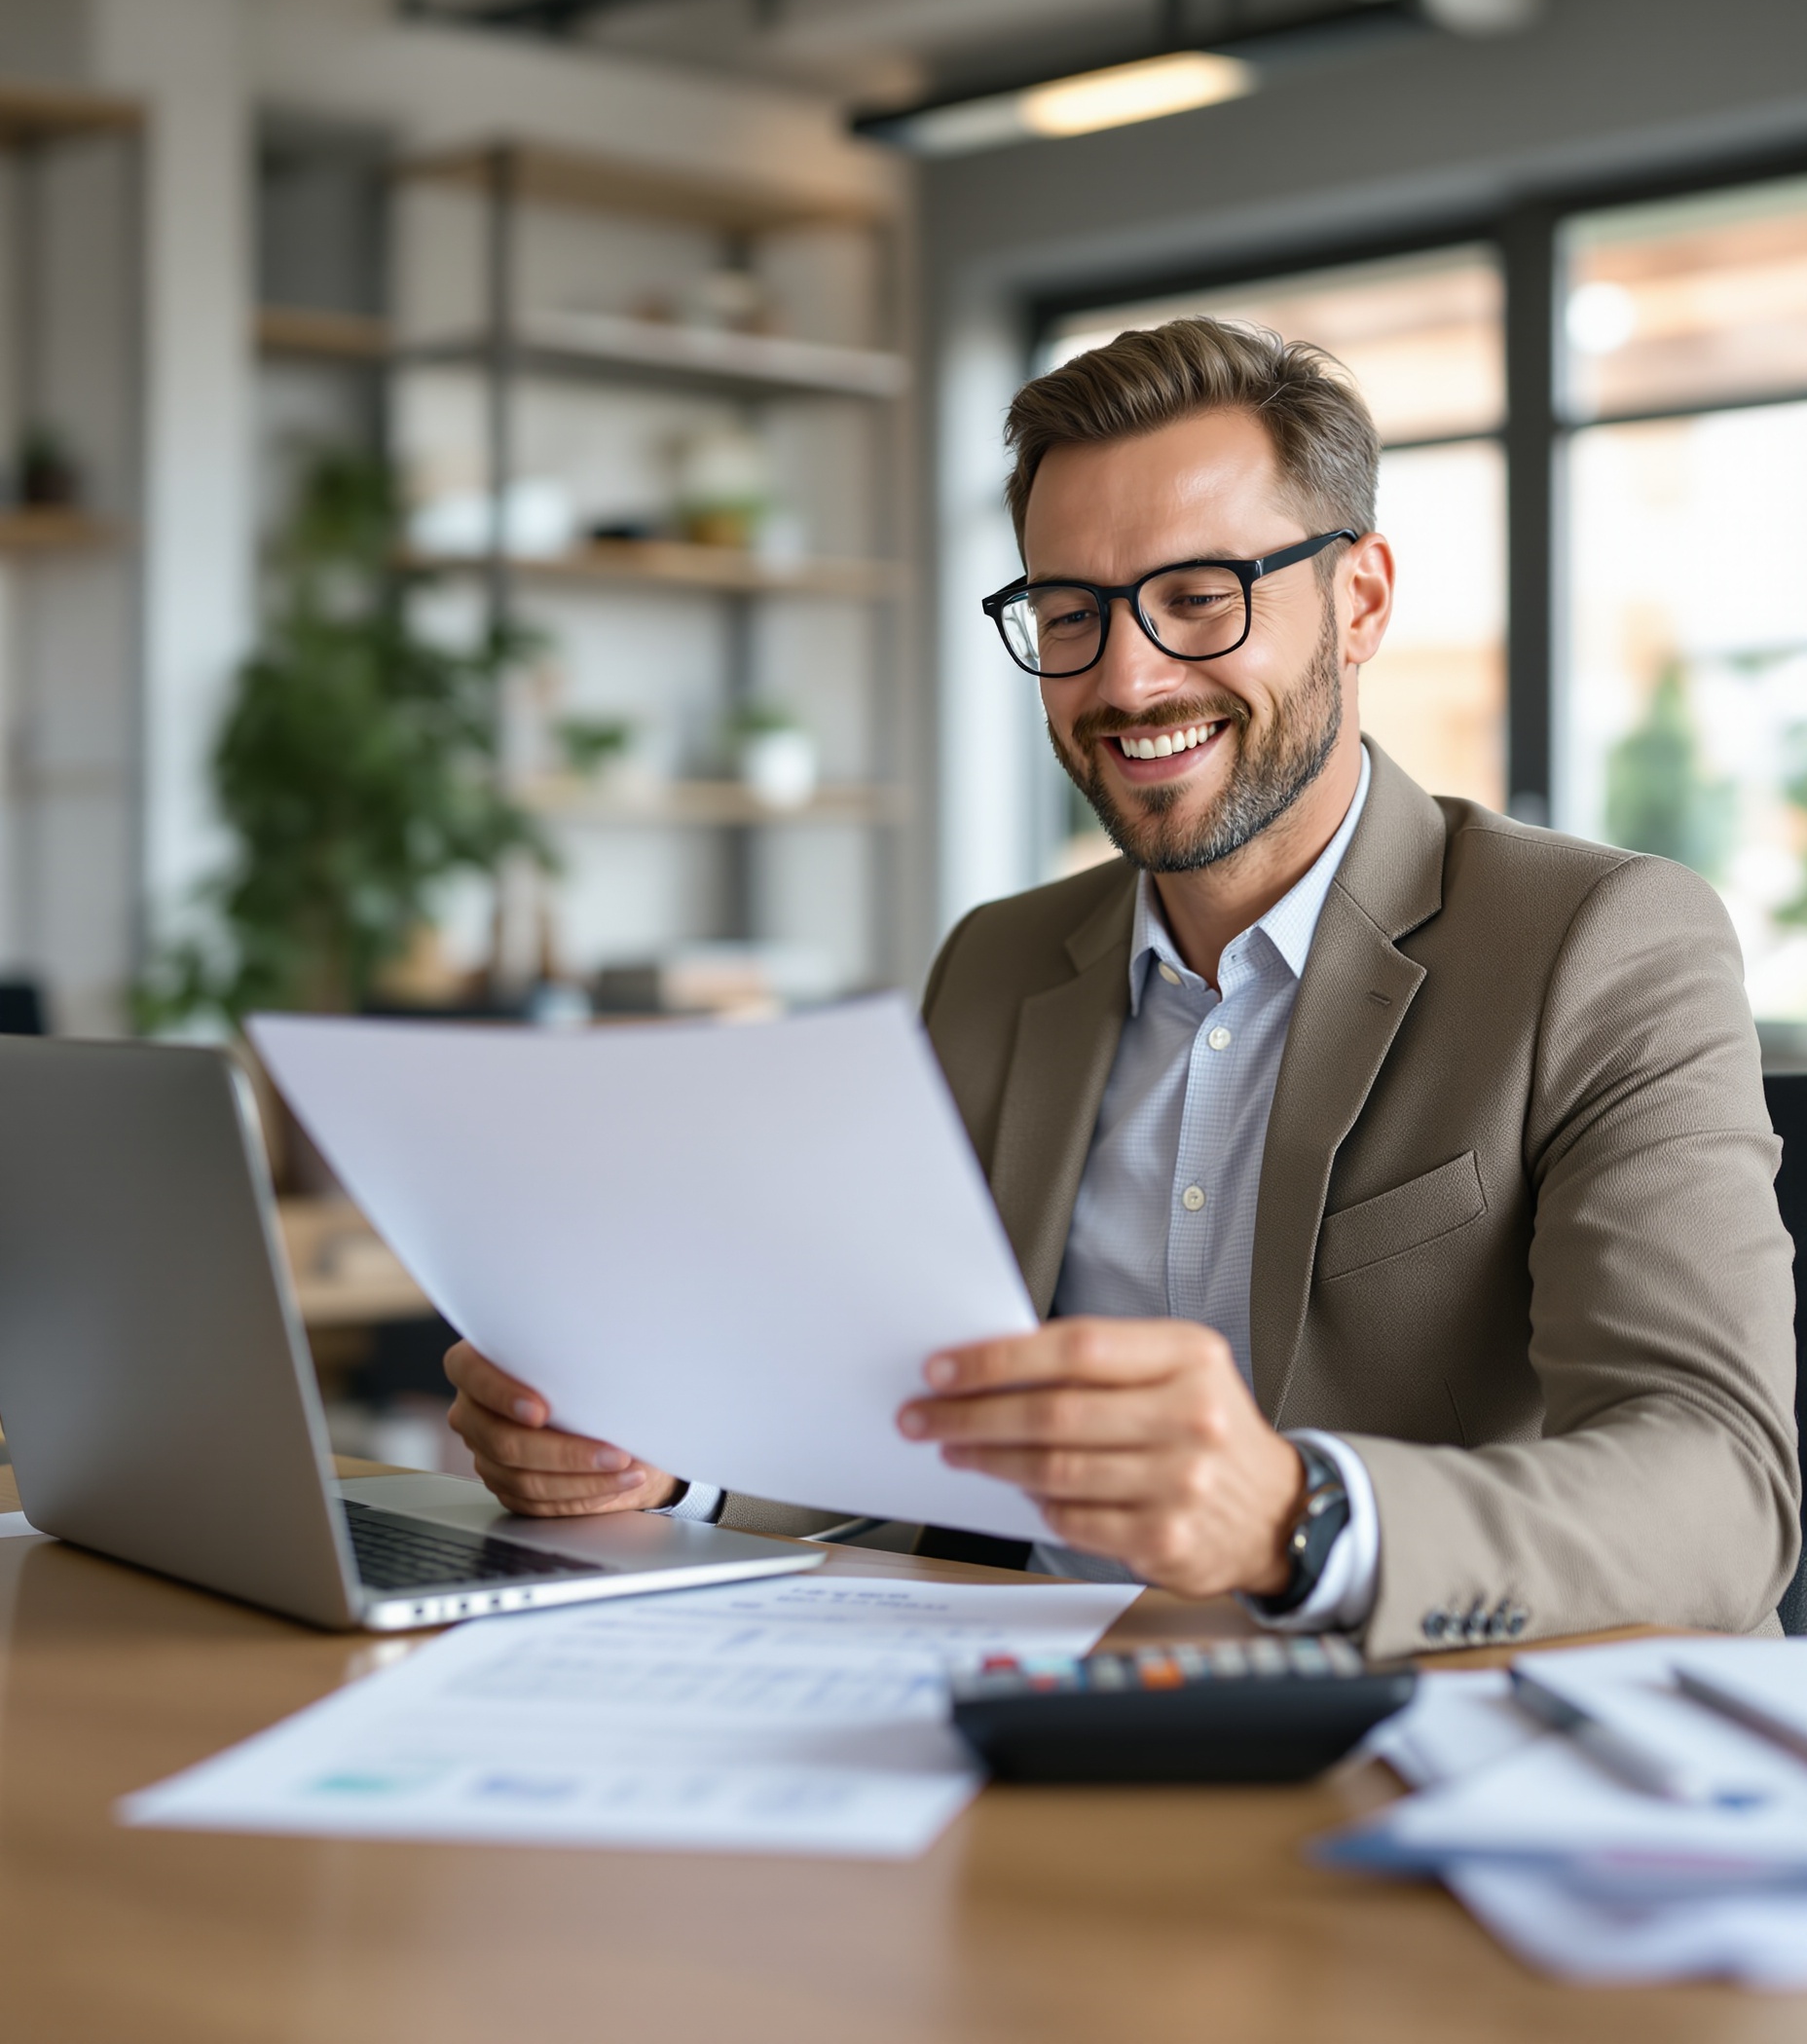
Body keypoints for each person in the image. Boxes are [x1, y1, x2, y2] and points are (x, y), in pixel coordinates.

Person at [444, 317, 1800, 1658]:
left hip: (1386, 1717)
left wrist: (1303, 1519)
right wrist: (667, 1461)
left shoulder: (1601, 942)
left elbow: (1724, 1493)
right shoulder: (999, 962)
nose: (1130, 678)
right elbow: (894, 1411)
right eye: (1070, 613)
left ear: (1362, 599)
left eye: (1201, 595)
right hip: (998, 1688)